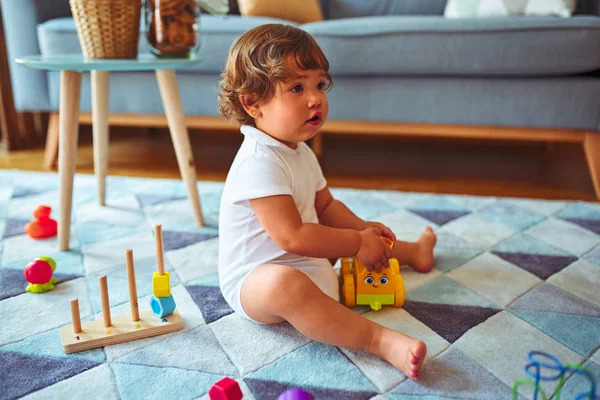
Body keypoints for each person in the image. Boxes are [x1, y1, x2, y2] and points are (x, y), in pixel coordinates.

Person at [217, 23, 437, 380]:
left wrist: (363, 232)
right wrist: (354, 243)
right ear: (252, 103)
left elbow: (326, 208)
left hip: (306, 260)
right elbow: (291, 237)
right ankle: (380, 341)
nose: (315, 98)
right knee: (285, 284)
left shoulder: (299, 150)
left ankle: (413, 252)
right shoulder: (258, 161)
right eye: (297, 88)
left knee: (357, 235)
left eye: (320, 85)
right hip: (255, 282)